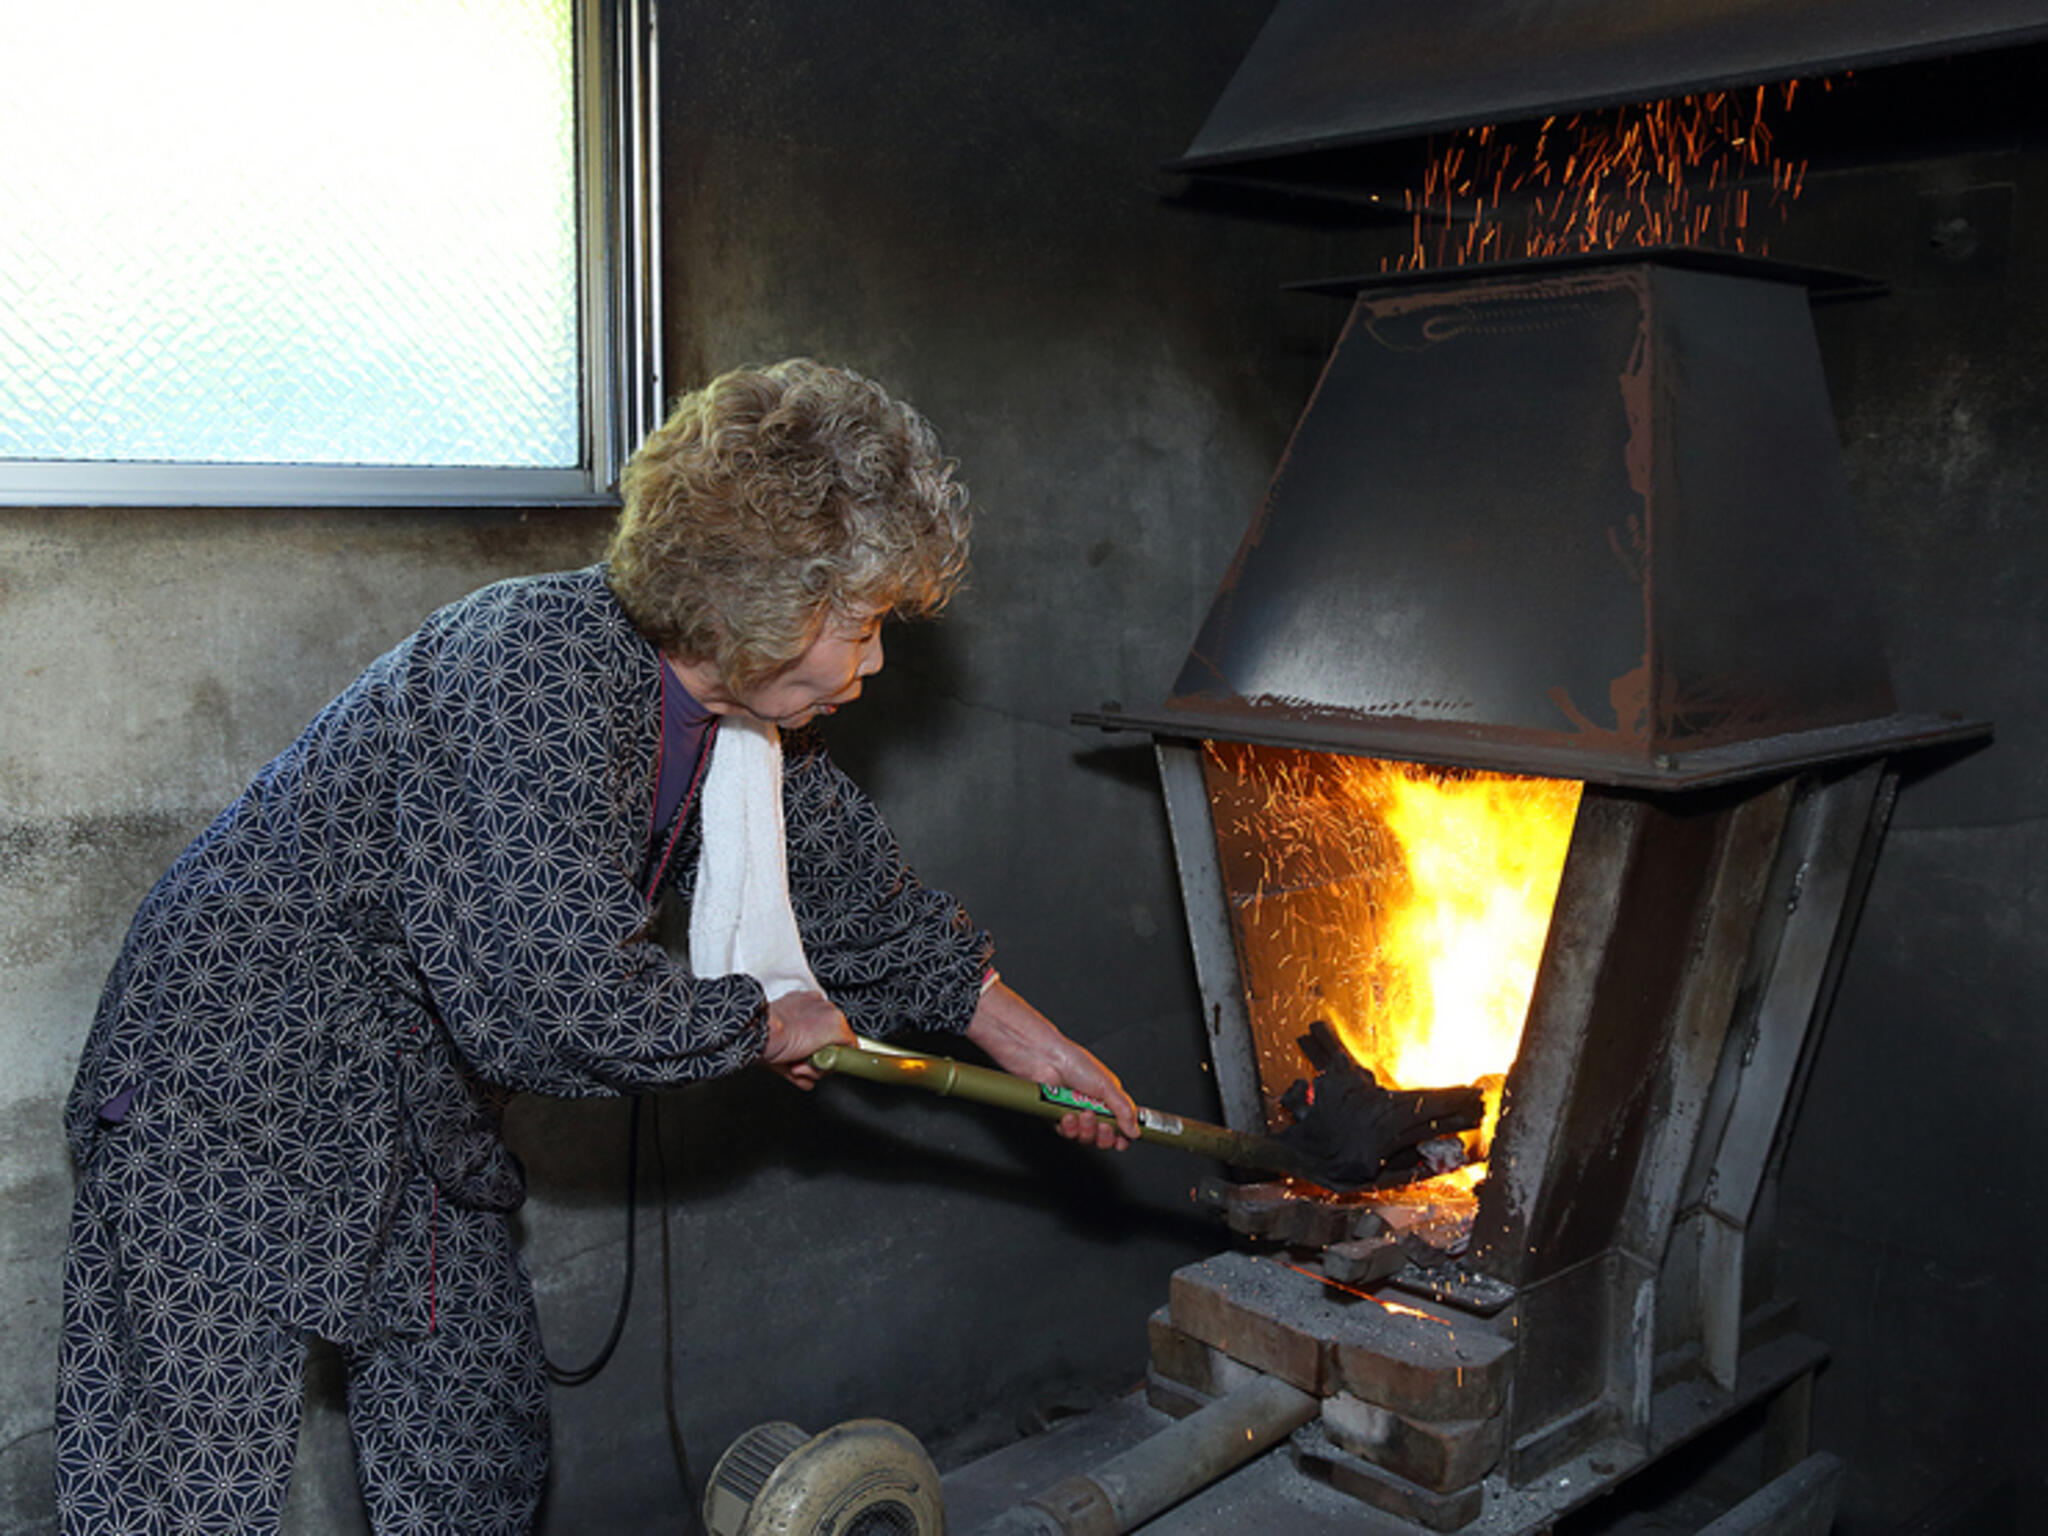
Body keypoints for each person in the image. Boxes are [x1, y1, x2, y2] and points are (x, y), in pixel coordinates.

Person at [55, 359, 1140, 1536]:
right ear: (756, 605)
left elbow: (865, 906)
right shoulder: (534, 670)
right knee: (186, 1484)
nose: (874, 663)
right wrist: (765, 1020)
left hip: (412, 1103)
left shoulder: (748, 731)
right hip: (219, 1078)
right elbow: (553, 992)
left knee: (472, 1446)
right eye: (864, 625)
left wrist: (1037, 1048)